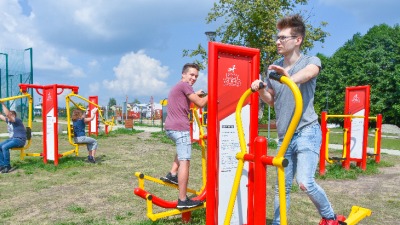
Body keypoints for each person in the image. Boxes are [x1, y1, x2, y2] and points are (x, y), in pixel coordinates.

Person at [251, 14, 346, 225]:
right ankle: (278, 222)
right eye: (277, 37)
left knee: (304, 182)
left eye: (283, 38)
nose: (278, 41)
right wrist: (261, 89)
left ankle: (330, 217)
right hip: (284, 135)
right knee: (282, 186)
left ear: (298, 40)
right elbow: (272, 101)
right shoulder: (273, 67)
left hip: (306, 131)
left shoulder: (310, 61)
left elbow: (309, 74)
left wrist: (288, 78)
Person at [161, 63, 208, 210]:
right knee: (185, 161)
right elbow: (200, 103)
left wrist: (197, 93)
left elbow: (189, 99)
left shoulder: (179, 87)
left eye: (196, 76)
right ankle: (182, 200)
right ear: (183, 74)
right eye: (191, 75)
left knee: (182, 151)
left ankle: (172, 173)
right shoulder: (185, 86)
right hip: (180, 129)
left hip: (170, 127)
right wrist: (213, 92)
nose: (193, 78)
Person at [0, 102, 27, 173]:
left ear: (14, 116)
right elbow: (1, 115)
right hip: (13, 139)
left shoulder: (17, 120)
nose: (8, 117)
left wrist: (3, 104)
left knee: (4, 147)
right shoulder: (10, 121)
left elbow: (7, 114)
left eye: (10, 115)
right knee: (0, 146)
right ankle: (2, 165)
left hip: (19, 140)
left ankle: (7, 166)